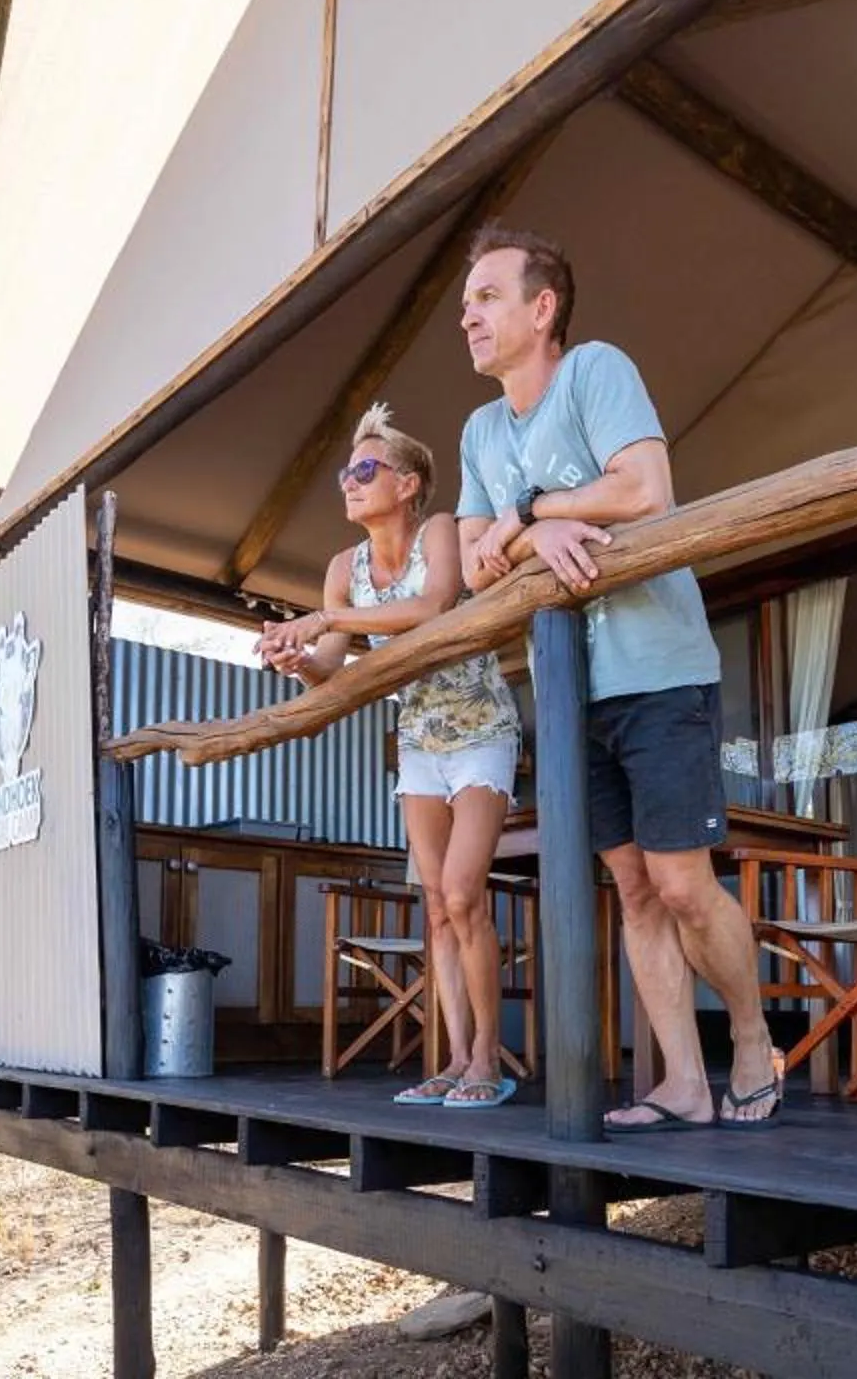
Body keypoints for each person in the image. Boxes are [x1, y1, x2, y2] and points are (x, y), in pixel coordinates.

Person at [454, 226, 781, 1130]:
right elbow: (478, 566)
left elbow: (644, 491)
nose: (469, 318)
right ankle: (682, 1083)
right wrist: (536, 534)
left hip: (659, 671)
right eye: (466, 305)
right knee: (631, 888)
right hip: (569, 695)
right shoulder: (481, 428)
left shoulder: (594, 370)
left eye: (486, 297)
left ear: (542, 307)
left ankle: (751, 1037)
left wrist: (528, 511)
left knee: (681, 883)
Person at [259, 402, 526, 1109]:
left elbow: (435, 605)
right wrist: (298, 658)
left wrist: (327, 620)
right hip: (417, 740)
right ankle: (455, 1058)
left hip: (480, 730)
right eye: (347, 471)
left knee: (467, 892)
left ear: (408, 483)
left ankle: (486, 1065)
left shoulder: (439, 530)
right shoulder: (342, 569)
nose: (350, 480)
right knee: (437, 905)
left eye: (367, 468)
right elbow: (334, 673)